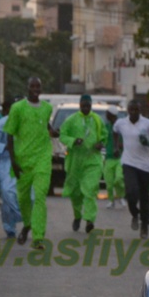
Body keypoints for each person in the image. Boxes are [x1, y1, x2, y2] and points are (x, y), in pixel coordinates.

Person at [5, 77, 58, 249]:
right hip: (22, 161)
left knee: (40, 196)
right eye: (32, 86)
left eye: (38, 86)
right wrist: (13, 160)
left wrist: (54, 132)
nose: (35, 89)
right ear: (27, 88)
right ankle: (27, 224)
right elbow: (10, 134)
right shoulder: (17, 108)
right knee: (23, 199)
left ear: (41, 89)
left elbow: (46, 126)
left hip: (42, 159)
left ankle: (38, 237)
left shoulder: (47, 108)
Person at [112, 100, 149, 239]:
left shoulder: (148, 124)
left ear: (140, 111)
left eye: (136, 110)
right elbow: (115, 131)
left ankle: (144, 225)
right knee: (131, 192)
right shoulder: (121, 123)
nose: (134, 113)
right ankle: (135, 214)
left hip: (145, 165)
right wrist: (116, 146)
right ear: (128, 110)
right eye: (131, 110)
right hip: (128, 162)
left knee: (144, 196)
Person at [59, 94, 108, 234]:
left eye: (88, 105)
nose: (86, 108)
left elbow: (104, 135)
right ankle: (77, 216)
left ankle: (90, 220)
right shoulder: (71, 120)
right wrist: (73, 141)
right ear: (80, 105)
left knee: (90, 190)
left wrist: (101, 143)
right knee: (76, 194)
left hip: (93, 160)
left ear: (91, 105)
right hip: (75, 161)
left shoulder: (97, 120)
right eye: (83, 105)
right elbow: (63, 135)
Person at [0, 98, 22, 239]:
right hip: (6, 163)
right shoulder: (3, 123)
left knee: (29, 196)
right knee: (7, 194)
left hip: (25, 163)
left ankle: (26, 218)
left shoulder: (27, 122)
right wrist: (4, 148)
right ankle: (9, 227)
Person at [102, 107, 125, 209]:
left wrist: (122, 145)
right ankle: (111, 201)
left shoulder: (121, 126)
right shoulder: (106, 127)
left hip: (120, 158)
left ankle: (121, 196)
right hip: (108, 158)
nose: (106, 116)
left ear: (111, 115)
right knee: (109, 182)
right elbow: (102, 138)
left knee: (119, 179)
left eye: (107, 114)